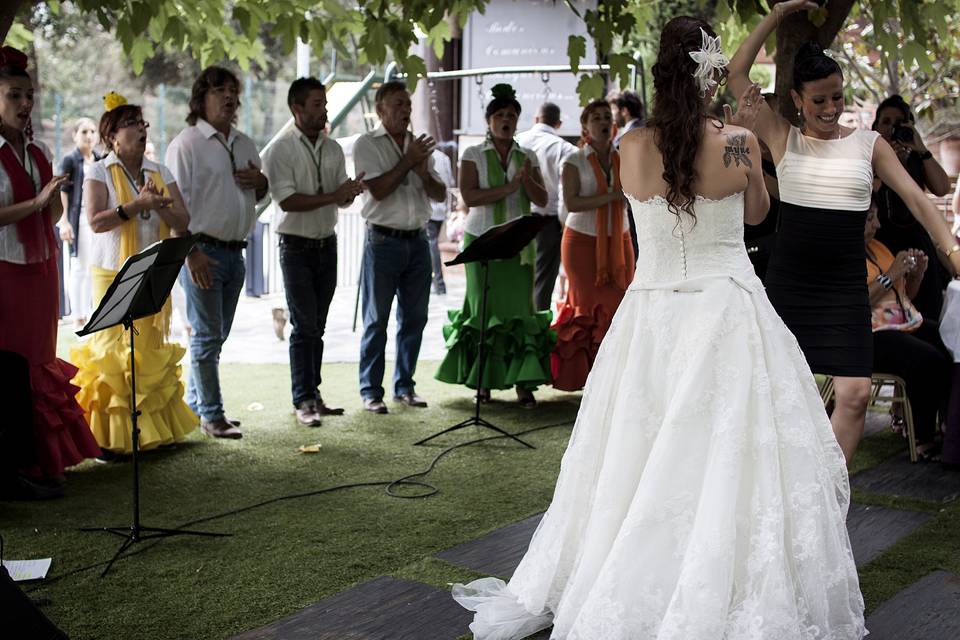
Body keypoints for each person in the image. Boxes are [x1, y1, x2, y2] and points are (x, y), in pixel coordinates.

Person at [453, 18, 865, 638]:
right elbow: (756, 217)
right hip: (725, 310)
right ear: (707, 73)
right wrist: (751, 168)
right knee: (726, 452)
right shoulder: (737, 143)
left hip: (651, 315)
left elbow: (646, 214)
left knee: (636, 453)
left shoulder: (629, 145)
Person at [728, 0, 960, 464]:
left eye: (837, 96)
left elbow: (918, 199)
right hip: (791, 284)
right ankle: (785, 485)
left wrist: (953, 253)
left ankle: (828, 497)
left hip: (844, 287)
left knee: (854, 393)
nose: (832, 108)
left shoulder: (867, 144)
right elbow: (736, 74)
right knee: (778, 394)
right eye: (820, 100)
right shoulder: (781, 136)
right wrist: (775, 16)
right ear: (797, 100)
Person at [70, 92, 196, 456]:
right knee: (112, 353)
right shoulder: (98, 170)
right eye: (131, 124)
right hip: (111, 272)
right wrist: (137, 205)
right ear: (112, 136)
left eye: (143, 124)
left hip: (152, 270)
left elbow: (182, 222)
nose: (140, 129)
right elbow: (95, 222)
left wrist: (162, 208)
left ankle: (150, 435)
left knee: (146, 350)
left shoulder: (160, 171)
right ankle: (110, 441)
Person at [0, 46, 100, 483]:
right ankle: (16, 462)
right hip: (6, 271)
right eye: (13, 96)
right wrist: (38, 201)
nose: (24, 105)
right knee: (12, 367)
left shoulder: (37, 151)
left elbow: (54, 216)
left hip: (42, 269)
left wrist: (51, 203)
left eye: (28, 96)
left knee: (42, 359)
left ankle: (43, 457)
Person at [165, 66, 269, 438]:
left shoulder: (244, 142)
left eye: (232, 91)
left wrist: (261, 183)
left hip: (235, 253)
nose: (228, 97)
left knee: (217, 335)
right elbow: (173, 205)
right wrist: (189, 252)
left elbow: (262, 195)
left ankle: (195, 406)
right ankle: (212, 415)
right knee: (208, 337)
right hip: (201, 251)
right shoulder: (186, 144)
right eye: (219, 90)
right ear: (200, 99)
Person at [435, 83, 552, 408]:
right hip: (482, 240)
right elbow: (470, 197)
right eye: (500, 115)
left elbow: (543, 199)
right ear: (489, 120)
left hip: (518, 243)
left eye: (512, 115)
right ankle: (482, 383)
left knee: (518, 314)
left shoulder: (527, 155)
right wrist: (508, 188)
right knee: (483, 312)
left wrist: (526, 183)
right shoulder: (473, 153)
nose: (506, 120)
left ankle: (523, 385)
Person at [262, 77, 365, 426]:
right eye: (317, 104)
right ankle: (302, 399)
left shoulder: (333, 148)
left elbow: (341, 196)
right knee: (304, 325)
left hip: (327, 244)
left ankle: (314, 394)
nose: (324, 110)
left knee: (317, 326)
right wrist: (336, 196)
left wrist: (351, 191)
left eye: (324, 104)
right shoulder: (280, 149)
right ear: (297, 108)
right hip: (296, 247)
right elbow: (287, 201)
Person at [353, 81, 446, 414]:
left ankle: (404, 386)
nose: (405, 111)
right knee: (376, 320)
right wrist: (408, 163)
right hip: (382, 241)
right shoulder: (367, 144)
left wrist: (421, 171)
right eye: (397, 105)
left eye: (407, 105)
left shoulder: (418, 146)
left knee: (415, 318)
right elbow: (377, 190)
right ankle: (370, 391)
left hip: (418, 241)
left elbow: (439, 194)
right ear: (380, 110)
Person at [551, 99, 635, 391]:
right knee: (586, 308)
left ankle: (614, 380)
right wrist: (612, 197)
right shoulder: (573, 161)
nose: (602, 122)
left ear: (613, 126)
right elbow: (573, 202)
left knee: (619, 303)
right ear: (585, 127)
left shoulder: (626, 157)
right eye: (595, 117)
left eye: (606, 118)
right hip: (582, 243)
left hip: (619, 239)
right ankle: (584, 381)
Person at [863, 199, 951, 461]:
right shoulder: (844, 257)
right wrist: (891, 273)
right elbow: (857, 302)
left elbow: (903, 297)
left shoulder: (877, 248)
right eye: (870, 219)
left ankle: (949, 425)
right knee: (927, 359)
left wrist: (916, 275)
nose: (878, 224)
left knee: (949, 340)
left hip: (900, 323)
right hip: (868, 335)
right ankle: (922, 437)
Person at [872, 94, 952, 320]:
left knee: (927, 311)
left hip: (917, 243)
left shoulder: (917, 158)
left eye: (898, 123)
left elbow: (942, 188)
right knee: (894, 308)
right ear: (875, 126)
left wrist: (921, 148)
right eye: (885, 122)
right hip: (883, 243)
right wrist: (886, 164)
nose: (891, 129)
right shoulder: (868, 157)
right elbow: (867, 194)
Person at [516, 102, 578, 311]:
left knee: (517, 274)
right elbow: (564, 193)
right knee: (543, 279)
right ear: (558, 123)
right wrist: (565, 223)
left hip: (517, 219)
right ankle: (538, 327)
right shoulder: (565, 148)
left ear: (536, 119)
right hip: (549, 223)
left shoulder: (516, 142)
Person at [57, 117, 99, 329]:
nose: (89, 136)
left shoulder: (99, 159)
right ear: (75, 135)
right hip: (77, 218)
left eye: (92, 131)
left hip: (96, 219)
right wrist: (64, 221)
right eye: (84, 132)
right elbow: (62, 191)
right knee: (79, 266)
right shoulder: (70, 160)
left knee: (94, 266)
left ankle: (91, 312)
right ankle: (77, 315)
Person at [608, 89, 644, 261]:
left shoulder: (633, 134)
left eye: (613, 110)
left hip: (636, 203)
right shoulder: (643, 128)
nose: (612, 115)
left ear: (624, 111)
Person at [427, 144, 455, 295]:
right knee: (433, 245)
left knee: (431, 246)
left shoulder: (425, 157)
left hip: (429, 210)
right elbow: (450, 182)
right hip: (440, 210)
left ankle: (438, 283)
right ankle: (437, 282)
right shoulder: (444, 158)